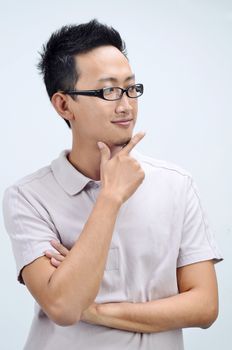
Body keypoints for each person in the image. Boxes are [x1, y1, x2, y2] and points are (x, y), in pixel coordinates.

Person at [2, 19, 222, 350]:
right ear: (64, 105)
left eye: (131, 88)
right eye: (108, 91)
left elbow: (205, 306)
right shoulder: (28, 197)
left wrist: (93, 311)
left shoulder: (176, 184)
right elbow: (63, 306)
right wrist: (110, 197)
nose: (126, 105)